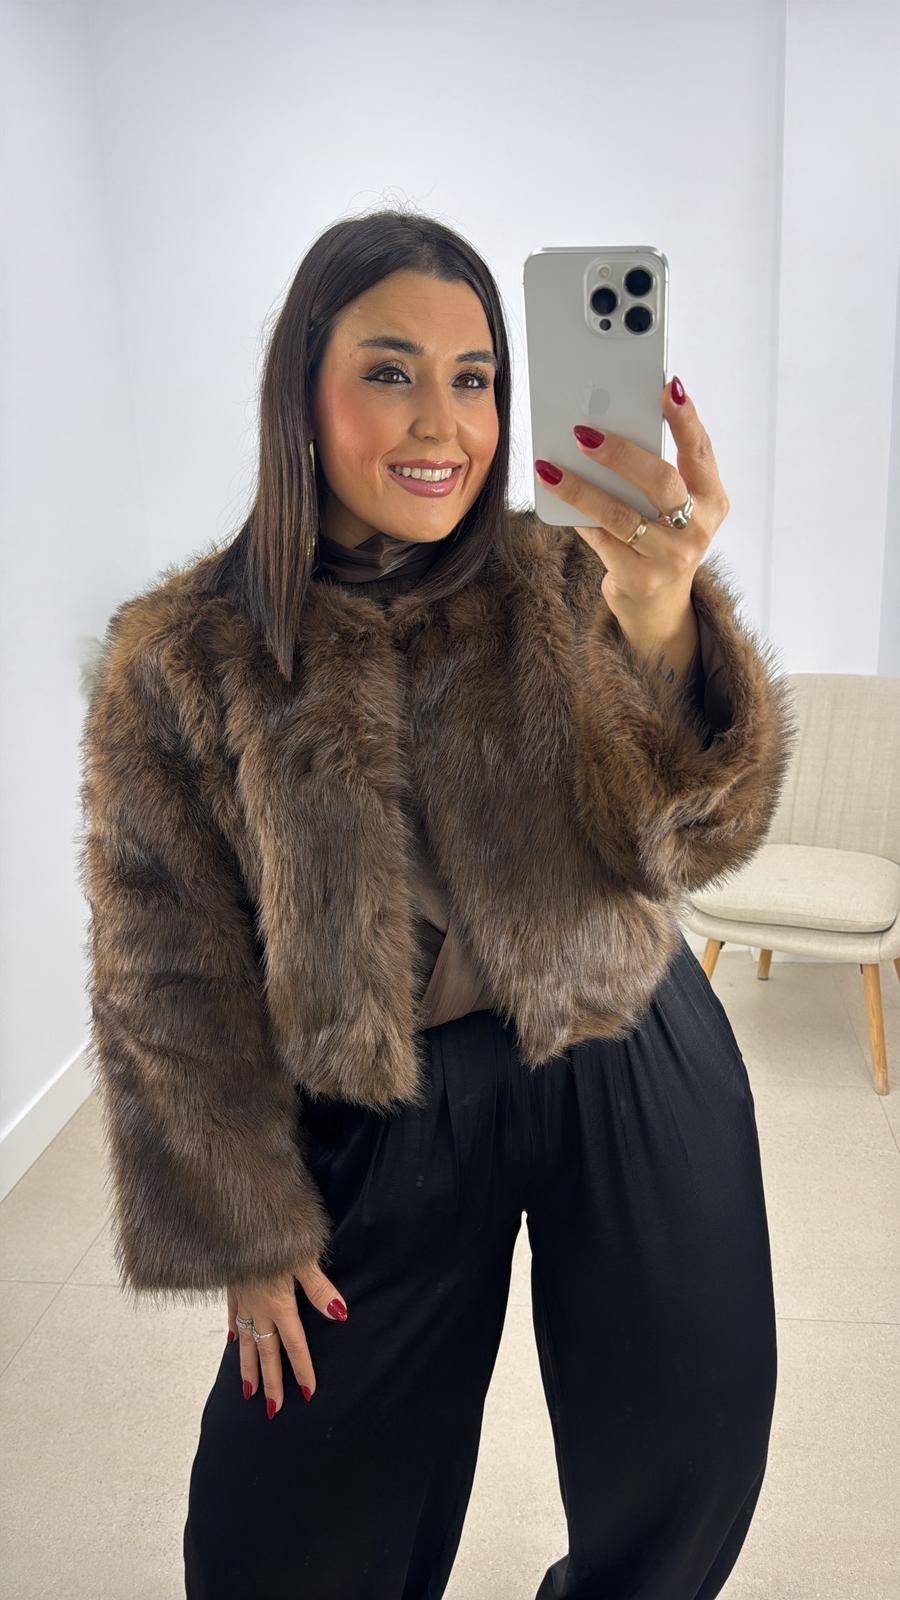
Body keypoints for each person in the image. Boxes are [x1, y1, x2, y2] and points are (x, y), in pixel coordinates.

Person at [77, 208, 798, 1600]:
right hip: (387, 1099)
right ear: (302, 391)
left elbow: (690, 837)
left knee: (693, 1447)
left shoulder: (562, 570)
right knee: (285, 1531)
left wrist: (662, 613)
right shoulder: (184, 654)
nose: (442, 422)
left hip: (622, 1036)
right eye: (390, 371)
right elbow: (164, 966)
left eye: (475, 377)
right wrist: (246, 1221)